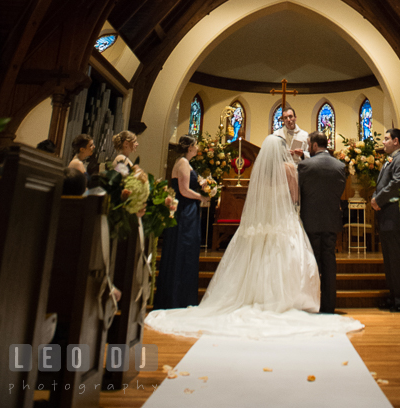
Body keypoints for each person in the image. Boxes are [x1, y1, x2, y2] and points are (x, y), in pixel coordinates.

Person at [145, 134, 363, 338]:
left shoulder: (260, 170)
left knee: (257, 255)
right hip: (285, 219)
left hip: (263, 219)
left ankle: (254, 297)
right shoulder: (289, 168)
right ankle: (289, 300)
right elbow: (295, 197)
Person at [153, 135, 210, 309]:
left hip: (188, 210)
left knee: (188, 251)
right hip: (184, 211)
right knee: (183, 249)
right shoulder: (183, 163)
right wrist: (202, 197)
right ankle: (177, 298)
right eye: (196, 145)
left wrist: (206, 185)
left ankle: (183, 297)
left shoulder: (186, 162)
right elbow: (184, 190)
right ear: (190, 147)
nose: (198, 147)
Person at [298, 131, 347, 313]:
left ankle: (312, 302)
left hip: (310, 220)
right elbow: (340, 190)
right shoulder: (340, 166)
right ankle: (328, 305)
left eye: (309, 144)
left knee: (312, 262)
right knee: (329, 262)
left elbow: (300, 192)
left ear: (315, 145)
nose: (308, 147)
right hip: (331, 220)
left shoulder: (305, 165)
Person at [371, 128, 400, 312]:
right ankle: (394, 296)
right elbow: (383, 183)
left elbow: (397, 183)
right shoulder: (392, 159)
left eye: (386, 139)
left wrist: (377, 199)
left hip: (396, 215)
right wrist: (376, 197)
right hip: (387, 215)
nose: (383, 142)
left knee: (398, 259)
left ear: (396, 141)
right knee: (390, 260)